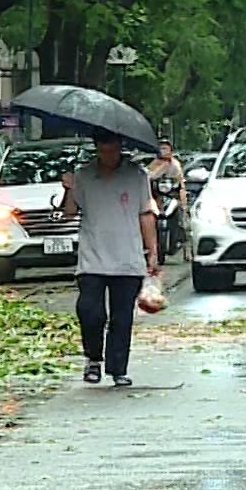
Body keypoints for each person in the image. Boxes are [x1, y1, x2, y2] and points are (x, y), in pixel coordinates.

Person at [62, 129, 160, 386]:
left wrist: (152, 252)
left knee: (122, 316)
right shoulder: (83, 175)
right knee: (90, 311)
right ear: (96, 148)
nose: (108, 155)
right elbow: (70, 213)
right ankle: (93, 359)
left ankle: (118, 368)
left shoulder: (137, 175)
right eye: (102, 150)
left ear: (120, 147)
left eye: (112, 149)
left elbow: (145, 213)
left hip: (127, 256)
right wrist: (68, 189)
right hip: (92, 257)